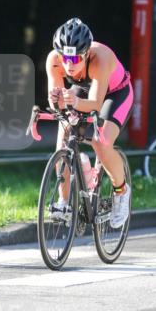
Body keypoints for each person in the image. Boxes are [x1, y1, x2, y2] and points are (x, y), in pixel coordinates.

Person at [46, 17, 133, 228]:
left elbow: (94, 104)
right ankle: (64, 202)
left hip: (116, 93)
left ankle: (122, 192)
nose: (68, 65)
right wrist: (57, 99)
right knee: (63, 143)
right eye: (65, 58)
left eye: (75, 59)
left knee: (101, 142)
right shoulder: (54, 60)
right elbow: (55, 101)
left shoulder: (101, 57)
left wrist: (74, 101)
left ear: (86, 54)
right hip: (84, 91)